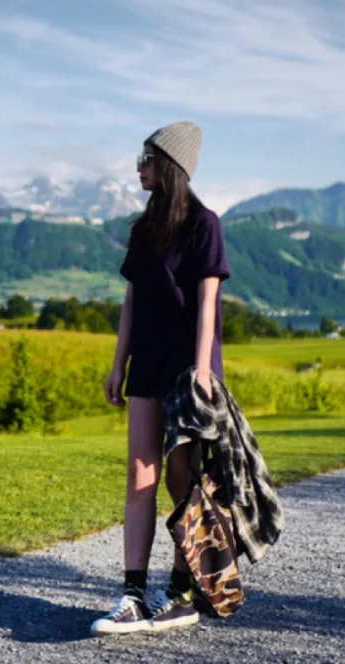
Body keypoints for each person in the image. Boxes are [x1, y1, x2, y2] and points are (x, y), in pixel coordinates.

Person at [90, 121, 231, 636]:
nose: (138, 166)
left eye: (146, 158)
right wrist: (117, 363)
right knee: (139, 478)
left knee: (182, 482)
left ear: (169, 165)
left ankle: (180, 593)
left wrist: (200, 372)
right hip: (146, 367)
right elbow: (132, 302)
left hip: (187, 370)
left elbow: (209, 305)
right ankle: (132, 596)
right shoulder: (143, 229)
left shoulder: (204, 224)